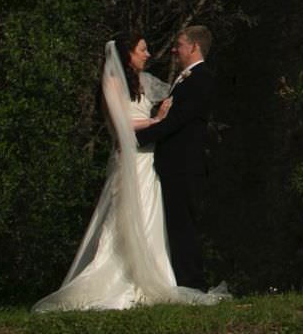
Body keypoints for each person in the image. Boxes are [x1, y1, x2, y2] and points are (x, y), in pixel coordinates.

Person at [32, 35, 225, 311]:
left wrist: (162, 116)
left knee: (151, 215)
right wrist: (156, 120)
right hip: (134, 156)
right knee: (126, 214)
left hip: (150, 159)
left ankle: (159, 274)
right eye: (143, 50)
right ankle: (122, 277)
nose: (148, 54)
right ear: (127, 55)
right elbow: (120, 121)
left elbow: (178, 109)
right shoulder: (112, 82)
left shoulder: (146, 82)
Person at [134, 25, 216, 291]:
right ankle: (182, 279)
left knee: (184, 227)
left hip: (185, 165)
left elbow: (179, 120)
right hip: (174, 165)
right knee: (176, 225)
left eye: (179, 45)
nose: (174, 50)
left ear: (194, 47)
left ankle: (192, 283)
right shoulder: (186, 78)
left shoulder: (202, 78)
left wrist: (139, 138)